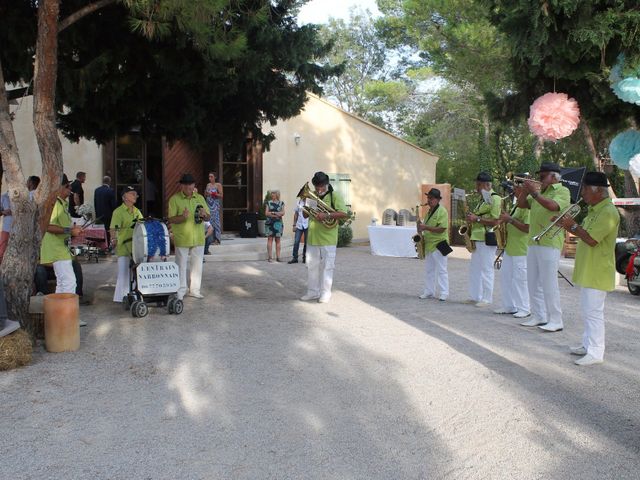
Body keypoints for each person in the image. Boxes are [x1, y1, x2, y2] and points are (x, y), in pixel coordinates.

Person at [557, 172, 619, 365]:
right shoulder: (594, 210)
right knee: (587, 310)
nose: (582, 193)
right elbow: (584, 234)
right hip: (589, 270)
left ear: (597, 191)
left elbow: (591, 239)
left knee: (593, 312)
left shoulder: (608, 212)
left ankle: (596, 352)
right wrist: (569, 225)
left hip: (598, 271)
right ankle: (587, 344)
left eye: (584, 189)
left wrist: (572, 226)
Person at [518, 162, 571, 332]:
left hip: (550, 242)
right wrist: (525, 191)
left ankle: (556, 320)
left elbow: (552, 206)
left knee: (549, 283)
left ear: (554, 176)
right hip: (534, 241)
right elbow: (521, 205)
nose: (539, 179)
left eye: (543, 176)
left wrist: (533, 192)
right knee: (532, 281)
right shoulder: (540, 192)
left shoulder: (563, 191)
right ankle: (538, 315)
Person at [40, 174, 85, 325]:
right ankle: (68, 316)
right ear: (59, 188)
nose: (70, 189)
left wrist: (74, 229)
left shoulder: (62, 204)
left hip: (61, 248)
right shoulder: (54, 204)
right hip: (56, 249)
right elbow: (49, 226)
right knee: (70, 281)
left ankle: (58, 317)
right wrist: (70, 231)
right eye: (67, 186)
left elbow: (64, 226)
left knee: (62, 282)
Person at [300, 172, 348, 303]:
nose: (319, 189)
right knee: (311, 266)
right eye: (317, 187)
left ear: (326, 184)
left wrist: (326, 216)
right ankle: (312, 292)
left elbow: (344, 213)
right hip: (312, 237)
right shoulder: (313, 196)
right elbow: (305, 216)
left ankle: (326, 293)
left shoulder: (334, 196)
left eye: (321, 186)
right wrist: (304, 204)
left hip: (328, 238)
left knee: (328, 266)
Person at [168, 173, 210, 300]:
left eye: (190, 184)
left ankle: (195, 290)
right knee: (181, 265)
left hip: (198, 237)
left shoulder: (200, 198)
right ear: (181, 186)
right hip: (182, 237)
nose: (188, 187)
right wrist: (182, 217)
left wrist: (205, 215)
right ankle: (181, 290)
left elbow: (208, 217)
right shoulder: (174, 199)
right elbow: (171, 219)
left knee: (197, 265)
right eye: (186, 184)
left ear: (194, 185)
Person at [494, 180, 531, 318]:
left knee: (520, 280)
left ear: (523, 191)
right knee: (506, 278)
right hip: (510, 247)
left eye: (516, 188)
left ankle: (524, 308)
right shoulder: (517, 205)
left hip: (521, 249)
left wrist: (509, 220)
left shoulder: (526, 207)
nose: (513, 191)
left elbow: (528, 228)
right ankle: (509, 305)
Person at [465, 172, 501, 307]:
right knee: (475, 269)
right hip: (477, 237)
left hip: (487, 237)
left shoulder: (495, 198)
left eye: (478, 184)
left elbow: (495, 220)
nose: (476, 186)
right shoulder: (482, 198)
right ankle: (474, 296)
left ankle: (487, 298)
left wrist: (477, 218)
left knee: (486, 269)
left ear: (487, 185)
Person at [110, 186, 142, 303]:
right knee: (124, 273)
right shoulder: (118, 212)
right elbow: (113, 229)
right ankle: (121, 298)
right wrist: (113, 240)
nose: (135, 196)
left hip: (136, 248)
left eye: (136, 194)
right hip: (124, 247)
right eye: (132, 193)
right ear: (125, 197)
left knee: (135, 273)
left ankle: (133, 296)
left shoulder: (137, 211)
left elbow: (142, 226)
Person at [417, 188, 449, 301]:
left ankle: (444, 292)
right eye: (428, 198)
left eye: (431, 198)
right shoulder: (429, 212)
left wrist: (425, 227)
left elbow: (442, 229)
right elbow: (426, 228)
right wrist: (420, 229)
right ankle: (429, 291)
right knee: (429, 270)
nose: (428, 200)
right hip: (430, 245)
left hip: (440, 244)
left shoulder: (442, 211)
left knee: (442, 270)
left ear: (437, 199)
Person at [94, 175, 116, 247]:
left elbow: (95, 203)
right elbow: (113, 205)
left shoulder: (97, 190)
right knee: (107, 231)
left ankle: (100, 246)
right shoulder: (110, 191)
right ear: (109, 182)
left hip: (99, 214)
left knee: (99, 231)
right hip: (108, 215)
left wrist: (97, 212)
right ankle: (107, 246)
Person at [265, 190, 285, 262]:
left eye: (273, 193)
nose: (272, 195)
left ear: (277, 195)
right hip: (270, 223)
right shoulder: (268, 203)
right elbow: (266, 213)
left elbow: (283, 213)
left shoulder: (281, 203)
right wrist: (277, 213)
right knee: (270, 239)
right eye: (272, 193)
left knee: (278, 240)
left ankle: (278, 257)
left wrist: (272, 213)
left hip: (278, 224)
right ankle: (270, 257)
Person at [204, 172, 223, 246]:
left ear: (215, 177)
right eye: (209, 177)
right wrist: (206, 193)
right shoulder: (208, 185)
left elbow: (221, 195)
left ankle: (217, 239)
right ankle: (210, 239)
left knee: (216, 222)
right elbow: (206, 195)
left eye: (211, 177)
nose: (210, 178)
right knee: (210, 222)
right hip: (208, 204)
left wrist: (213, 194)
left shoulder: (218, 185)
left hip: (215, 205)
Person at [288, 198, 309, 264]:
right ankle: (295, 258)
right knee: (296, 242)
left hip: (308, 225)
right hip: (299, 224)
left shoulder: (311, 202)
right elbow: (296, 213)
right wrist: (294, 224)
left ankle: (305, 258)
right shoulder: (299, 201)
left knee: (306, 242)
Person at [0, 191, 12, 264]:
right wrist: (3, 212)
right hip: (7, 229)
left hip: (20, 230)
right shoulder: (4, 197)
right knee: (2, 251)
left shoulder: (23, 196)